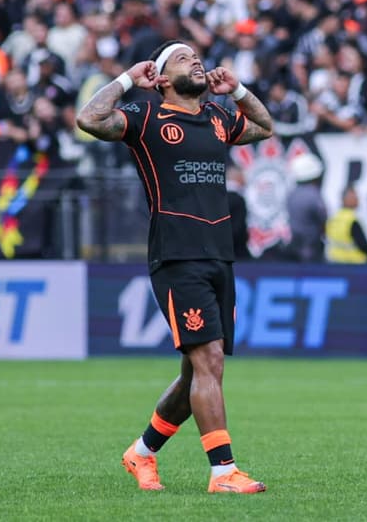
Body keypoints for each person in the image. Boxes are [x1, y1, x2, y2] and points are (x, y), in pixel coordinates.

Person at [76, 40, 272, 493]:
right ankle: (223, 472)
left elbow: (265, 126)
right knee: (209, 360)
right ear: (161, 78)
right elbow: (89, 119)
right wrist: (127, 80)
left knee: (197, 371)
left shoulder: (218, 117)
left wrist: (238, 90)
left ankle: (141, 453)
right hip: (177, 255)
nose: (197, 60)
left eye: (197, 56)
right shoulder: (146, 117)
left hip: (219, 254)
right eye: (183, 58)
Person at [285, 153, 328, 262]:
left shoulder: (292, 193)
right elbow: (323, 220)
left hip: (294, 245)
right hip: (311, 247)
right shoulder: (313, 194)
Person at [325, 185, 367, 263]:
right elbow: (363, 245)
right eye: (355, 197)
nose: (357, 200)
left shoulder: (334, 218)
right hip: (354, 264)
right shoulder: (351, 219)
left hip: (334, 262)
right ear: (345, 200)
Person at [226, 166, 251, 261]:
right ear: (238, 177)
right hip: (237, 253)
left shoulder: (217, 198)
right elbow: (238, 229)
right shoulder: (238, 200)